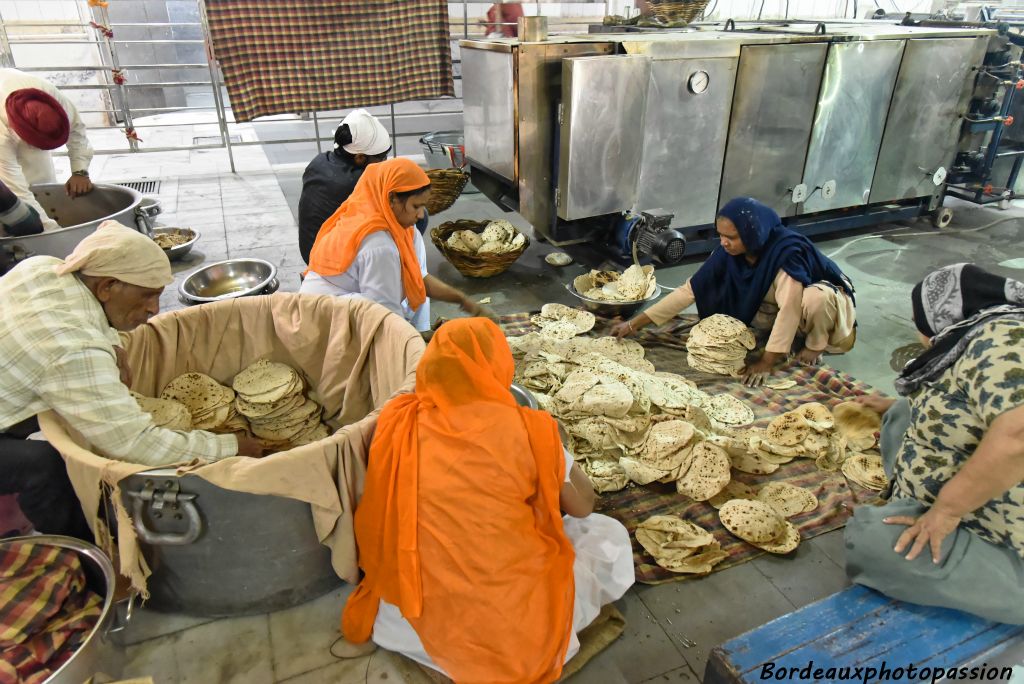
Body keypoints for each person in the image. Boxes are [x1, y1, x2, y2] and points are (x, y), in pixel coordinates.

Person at [341, 318, 635, 681]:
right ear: (499, 367)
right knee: (605, 535)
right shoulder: (529, 429)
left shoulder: (397, 419)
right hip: (504, 627)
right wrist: (556, 443)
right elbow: (582, 506)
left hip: (406, 620)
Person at [0, 222, 264, 540]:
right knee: (44, 466)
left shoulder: (42, 267)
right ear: (107, 287)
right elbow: (137, 444)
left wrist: (111, 340)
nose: (154, 310)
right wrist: (232, 447)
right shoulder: (74, 348)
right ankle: (89, 554)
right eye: (147, 296)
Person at [844, 263, 1024, 624]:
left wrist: (947, 510)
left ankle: (1007, 588)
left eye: (918, 320)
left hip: (1003, 532)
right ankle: (910, 504)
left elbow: (1018, 435)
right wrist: (895, 407)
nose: (919, 331)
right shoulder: (977, 333)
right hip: (980, 491)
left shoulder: (999, 339)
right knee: (900, 416)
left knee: (868, 541)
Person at [612, 197, 856, 386]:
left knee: (815, 298)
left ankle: (815, 344)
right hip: (781, 310)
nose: (723, 242)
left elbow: (791, 309)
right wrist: (634, 324)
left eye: (732, 237)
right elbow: (689, 291)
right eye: (720, 235)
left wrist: (766, 362)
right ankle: (788, 340)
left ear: (753, 234)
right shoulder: (729, 253)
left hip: (821, 312)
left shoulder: (787, 253)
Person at [300, 157, 491, 332]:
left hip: (349, 307)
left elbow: (419, 279)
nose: (421, 215)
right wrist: (422, 341)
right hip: (322, 323)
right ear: (391, 199)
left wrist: (463, 300)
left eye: (424, 206)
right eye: (415, 206)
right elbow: (385, 317)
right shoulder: (378, 245)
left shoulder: (404, 230)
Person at [0, 68, 95, 232]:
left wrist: (80, 171)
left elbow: (76, 130)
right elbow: (16, 189)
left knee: (42, 182)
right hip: (4, 137)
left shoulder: (49, 95)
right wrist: (52, 233)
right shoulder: (2, 136)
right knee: (14, 208)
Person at [298, 110, 397, 265]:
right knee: (410, 217)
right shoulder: (357, 181)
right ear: (359, 158)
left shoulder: (319, 160)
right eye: (382, 157)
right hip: (328, 259)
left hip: (309, 250)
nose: (385, 161)